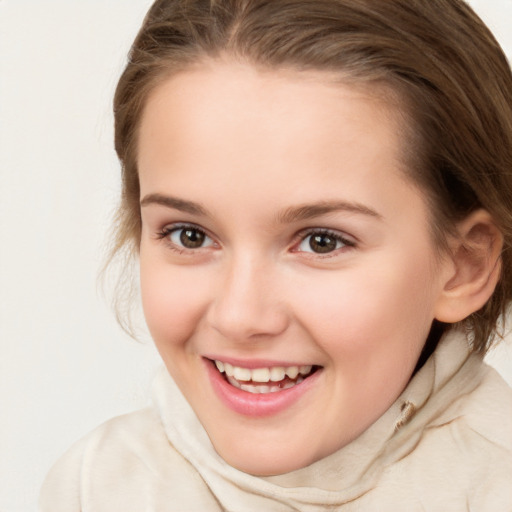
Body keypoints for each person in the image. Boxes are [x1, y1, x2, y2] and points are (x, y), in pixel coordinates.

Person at [39, 0, 512, 510]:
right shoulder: (96, 487)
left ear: (464, 265)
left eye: (321, 241)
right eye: (190, 235)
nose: (241, 317)